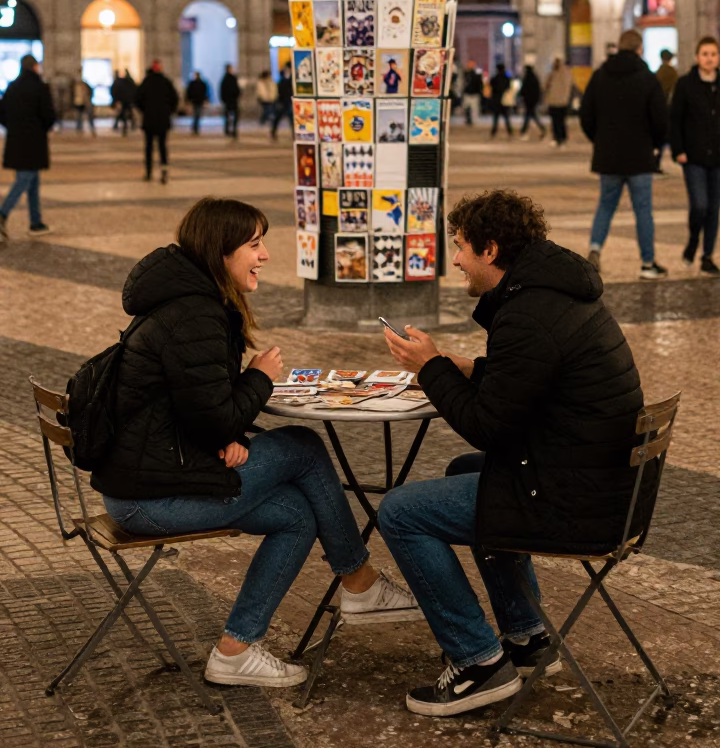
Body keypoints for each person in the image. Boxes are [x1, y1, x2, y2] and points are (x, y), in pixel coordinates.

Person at [93, 196, 417, 687]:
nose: (264, 256)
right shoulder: (195, 314)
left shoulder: (184, 302)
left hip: (149, 480)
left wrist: (226, 435)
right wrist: (260, 377)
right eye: (254, 244)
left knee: (295, 514)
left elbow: (190, 408)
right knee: (302, 446)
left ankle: (235, 651)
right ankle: (359, 581)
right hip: (150, 499)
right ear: (221, 250)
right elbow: (213, 413)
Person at [377, 189, 654, 718]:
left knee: (401, 511)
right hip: (606, 482)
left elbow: (488, 426)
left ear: (490, 249)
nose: (454, 259)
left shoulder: (529, 313)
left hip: (581, 503)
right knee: (467, 473)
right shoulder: (550, 292)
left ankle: (478, 663)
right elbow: (532, 382)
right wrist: (467, 367)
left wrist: (431, 366)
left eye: (459, 247)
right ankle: (525, 634)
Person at [580, 30, 668, 280]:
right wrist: (655, 144)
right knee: (643, 209)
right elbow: (661, 119)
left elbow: (586, 115)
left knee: (606, 205)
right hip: (640, 155)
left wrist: (599, 139)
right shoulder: (648, 78)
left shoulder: (600, 76)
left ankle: (595, 248)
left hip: (608, 155)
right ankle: (647, 263)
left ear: (618, 47)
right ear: (640, 49)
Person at [671, 35, 720, 274]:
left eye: (713, 54)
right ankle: (692, 242)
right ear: (697, 57)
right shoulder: (685, 84)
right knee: (699, 205)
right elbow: (675, 119)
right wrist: (678, 149)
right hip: (693, 156)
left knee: (714, 208)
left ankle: (708, 255)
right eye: (705, 54)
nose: (709, 59)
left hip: (718, 157)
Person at [0, 54, 56, 240]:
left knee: (32, 182)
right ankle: (2, 214)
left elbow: (2, 113)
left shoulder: (12, 87)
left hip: (16, 141)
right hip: (34, 142)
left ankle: (35, 222)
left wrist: (14, 128)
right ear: (34, 67)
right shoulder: (40, 87)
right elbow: (49, 115)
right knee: (25, 178)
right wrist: (40, 129)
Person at [136, 60, 179, 183]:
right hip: (162, 121)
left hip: (149, 120)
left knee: (148, 147)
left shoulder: (146, 82)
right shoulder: (166, 82)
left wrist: (145, 111)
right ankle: (164, 172)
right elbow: (175, 99)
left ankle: (148, 172)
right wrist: (168, 111)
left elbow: (138, 99)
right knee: (162, 147)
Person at [655, 49, 678, 174]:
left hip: (659, 107)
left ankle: (655, 161)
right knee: (664, 138)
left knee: (659, 138)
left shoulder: (658, 72)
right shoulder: (673, 73)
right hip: (668, 108)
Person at [544, 57, 573, 147]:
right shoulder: (567, 73)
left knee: (556, 121)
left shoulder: (552, 74)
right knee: (561, 121)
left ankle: (557, 138)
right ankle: (562, 137)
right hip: (563, 101)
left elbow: (545, 86)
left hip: (554, 101)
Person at [518, 60, 546, 140]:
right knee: (532, 116)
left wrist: (521, 96)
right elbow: (538, 90)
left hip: (529, 101)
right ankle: (541, 129)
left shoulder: (527, 78)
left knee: (528, 116)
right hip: (533, 101)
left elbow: (523, 90)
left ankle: (523, 131)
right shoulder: (534, 78)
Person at [489, 62, 513, 137]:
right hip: (504, 100)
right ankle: (509, 131)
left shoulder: (495, 78)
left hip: (497, 100)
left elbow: (492, 87)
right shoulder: (506, 78)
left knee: (496, 118)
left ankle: (494, 131)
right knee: (506, 117)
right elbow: (508, 87)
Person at [111, 69, 136, 136]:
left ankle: (120, 126)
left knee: (123, 113)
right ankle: (127, 125)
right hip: (126, 100)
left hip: (124, 100)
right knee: (125, 112)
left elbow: (114, 91)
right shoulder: (128, 82)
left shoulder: (119, 82)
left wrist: (115, 99)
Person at [270, 65, 293, 138]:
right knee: (277, 118)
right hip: (282, 102)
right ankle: (273, 132)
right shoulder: (282, 79)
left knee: (292, 119)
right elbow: (279, 91)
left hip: (289, 101)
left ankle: (294, 134)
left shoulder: (291, 79)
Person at [220, 65, 242, 138]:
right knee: (228, 116)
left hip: (232, 100)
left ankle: (233, 130)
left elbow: (237, 89)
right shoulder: (225, 79)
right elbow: (222, 90)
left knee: (233, 116)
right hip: (229, 100)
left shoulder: (232, 78)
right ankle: (228, 130)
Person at [72, 70, 95, 135]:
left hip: (85, 102)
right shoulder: (74, 86)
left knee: (89, 116)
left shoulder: (85, 85)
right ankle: (79, 129)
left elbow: (90, 92)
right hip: (77, 103)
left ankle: (92, 128)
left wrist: (88, 99)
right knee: (78, 117)